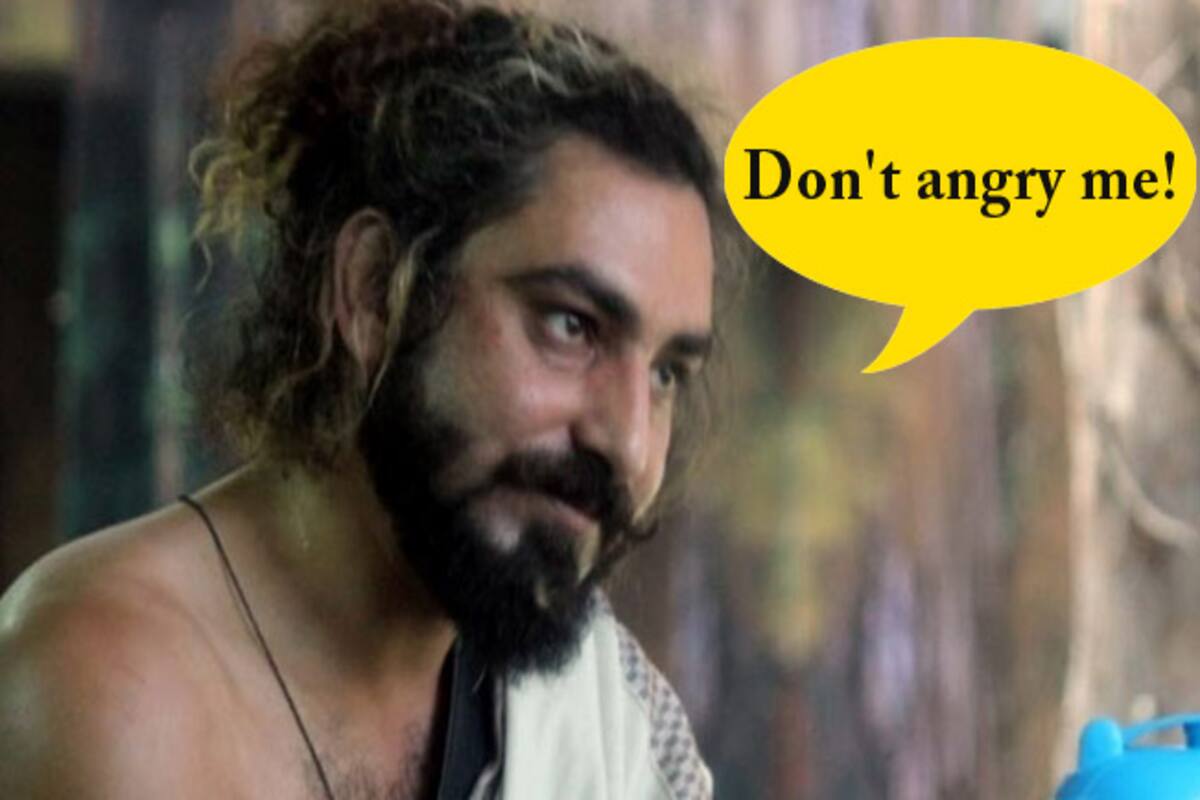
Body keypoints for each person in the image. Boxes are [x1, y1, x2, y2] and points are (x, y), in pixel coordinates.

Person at [0, 1, 734, 797]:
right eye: (571, 325)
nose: (628, 442)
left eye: (666, 373)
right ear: (377, 291)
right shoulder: (113, 680)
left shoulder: (610, 714)